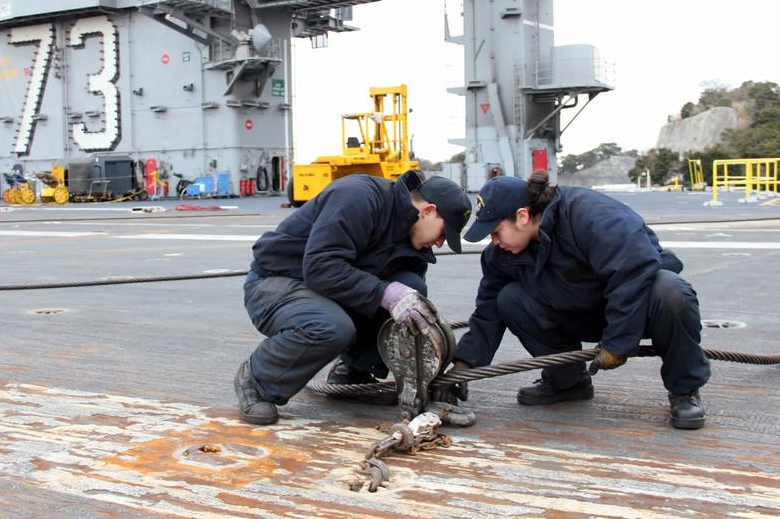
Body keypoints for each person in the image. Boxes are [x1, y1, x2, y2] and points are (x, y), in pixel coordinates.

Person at [451, 170, 710, 429]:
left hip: (636, 308)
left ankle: (684, 390)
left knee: (672, 291)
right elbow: (488, 311)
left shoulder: (593, 216)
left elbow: (633, 273)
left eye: (496, 232)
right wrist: (465, 365)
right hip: (579, 312)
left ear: (522, 216)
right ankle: (568, 382)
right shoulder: (501, 255)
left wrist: (617, 341)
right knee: (509, 299)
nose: (494, 242)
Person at [234, 170, 473, 425]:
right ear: (428, 211)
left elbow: (407, 321)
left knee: (410, 290)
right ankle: (257, 380)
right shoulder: (360, 196)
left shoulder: (411, 246)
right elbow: (320, 267)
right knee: (332, 326)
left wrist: (432, 382)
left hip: (324, 290)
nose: (439, 243)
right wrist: (385, 293)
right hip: (276, 282)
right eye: (443, 233)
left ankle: (353, 370)